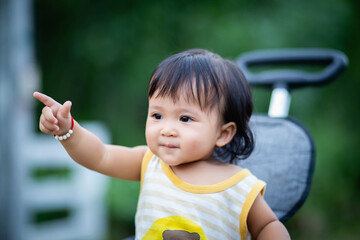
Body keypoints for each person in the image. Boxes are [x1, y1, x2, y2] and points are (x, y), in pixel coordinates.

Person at [33, 49, 290, 240]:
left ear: (223, 134)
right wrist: (68, 131)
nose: (166, 129)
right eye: (157, 115)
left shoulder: (239, 186)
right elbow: (100, 156)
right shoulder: (149, 163)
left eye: (185, 118)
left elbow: (268, 226)